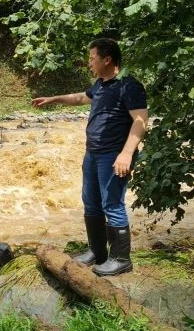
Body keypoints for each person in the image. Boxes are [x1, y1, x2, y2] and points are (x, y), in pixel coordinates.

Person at [31, 38, 147, 276]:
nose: (89, 63)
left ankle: (121, 259)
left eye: (92, 58)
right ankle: (98, 252)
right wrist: (53, 99)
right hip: (92, 154)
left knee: (112, 203)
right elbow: (81, 98)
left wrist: (126, 154)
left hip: (113, 155)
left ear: (107, 59)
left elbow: (141, 121)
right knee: (92, 204)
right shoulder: (101, 84)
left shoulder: (129, 85)